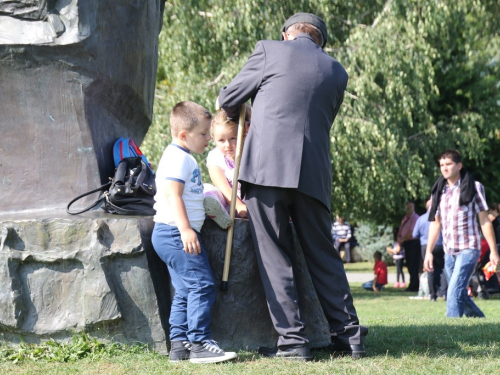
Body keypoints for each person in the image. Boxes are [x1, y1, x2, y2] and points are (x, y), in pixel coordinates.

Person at [218, 12, 368, 360]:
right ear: (319, 41)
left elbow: (228, 100)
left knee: (275, 256)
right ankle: (350, 337)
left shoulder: (268, 50)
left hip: (266, 170)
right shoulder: (336, 71)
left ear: (287, 35)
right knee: (324, 255)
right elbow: (323, 119)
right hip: (313, 175)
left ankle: (293, 342)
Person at [151, 101, 237, 363]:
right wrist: (186, 229)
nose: (208, 139)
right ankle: (199, 343)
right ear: (183, 135)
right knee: (202, 285)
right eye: (203, 134)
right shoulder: (179, 158)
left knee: (185, 290)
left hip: (168, 234)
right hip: (177, 233)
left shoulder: (181, 156)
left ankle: (179, 346)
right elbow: (172, 194)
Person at [424, 149, 499, 318]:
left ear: (459, 165)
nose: (444, 168)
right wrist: (428, 251)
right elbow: (436, 224)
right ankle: (480, 321)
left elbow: (484, 220)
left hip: (469, 248)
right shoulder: (439, 191)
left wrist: (494, 252)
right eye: (442, 165)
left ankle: (451, 329)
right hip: (448, 250)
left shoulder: (474, 187)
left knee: (454, 290)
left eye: (448, 164)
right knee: (457, 292)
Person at [203, 106, 251, 229]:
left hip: (251, 203)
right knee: (206, 189)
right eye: (221, 140)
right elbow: (223, 186)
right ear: (213, 138)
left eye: (233, 138)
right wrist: (238, 206)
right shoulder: (215, 157)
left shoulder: (250, 151)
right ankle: (219, 215)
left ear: (243, 134)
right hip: (229, 203)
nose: (228, 145)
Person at [412, 200, 445, 301]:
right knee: (443, 269)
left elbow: (414, 234)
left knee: (430, 270)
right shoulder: (441, 218)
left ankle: (432, 296)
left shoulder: (421, 219)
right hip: (439, 244)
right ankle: (444, 293)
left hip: (425, 246)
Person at [397, 201, 420, 291]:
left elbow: (412, 232)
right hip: (406, 244)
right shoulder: (405, 218)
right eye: (407, 207)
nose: (409, 209)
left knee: (413, 265)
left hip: (413, 243)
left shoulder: (415, 218)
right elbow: (400, 230)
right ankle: (412, 284)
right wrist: (399, 237)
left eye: (410, 207)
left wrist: (402, 239)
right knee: (409, 265)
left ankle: (414, 285)